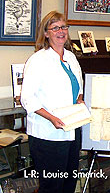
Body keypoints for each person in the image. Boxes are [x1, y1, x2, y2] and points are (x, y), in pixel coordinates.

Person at [21, 11, 84, 193]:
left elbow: (78, 89)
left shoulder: (71, 57)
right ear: (46, 33)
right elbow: (27, 98)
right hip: (48, 134)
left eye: (64, 27)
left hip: (72, 129)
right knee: (52, 186)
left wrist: (80, 101)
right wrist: (51, 118)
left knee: (69, 183)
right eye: (55, 28)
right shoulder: (37, 60)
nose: (61, 31)